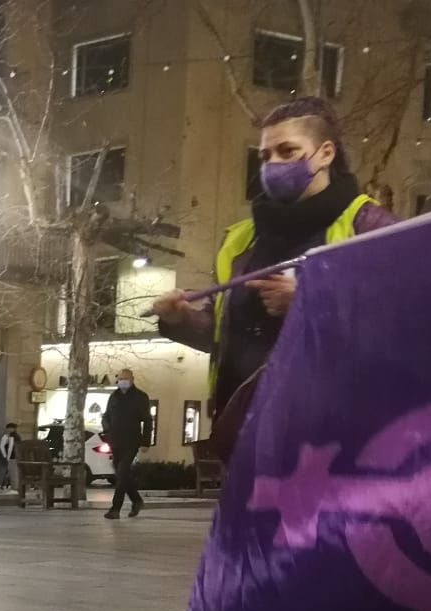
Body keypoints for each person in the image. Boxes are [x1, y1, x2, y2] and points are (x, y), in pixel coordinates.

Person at [153, 97, 395, 454]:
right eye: (266, 156)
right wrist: (181, 319)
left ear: (326, 153)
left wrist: (310, 303)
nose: (273, 164)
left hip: (337, 442)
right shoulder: (240, 240)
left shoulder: (370, 227)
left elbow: (403, 320)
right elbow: (228, 338)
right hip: (248, 438)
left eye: (288, 151)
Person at [100, 368, 152, 519]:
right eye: (120, 379)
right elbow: (107, 416)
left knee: (122, 470)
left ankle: (115, 508)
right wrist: (107, 429)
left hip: (132, 441)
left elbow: (147, 421)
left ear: (132, 380)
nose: (122, 382)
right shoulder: (114, 397)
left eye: (126, 379)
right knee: (122, 474)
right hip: (115, 441)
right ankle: (136, 500)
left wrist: (145, 442)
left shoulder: (140, 397)